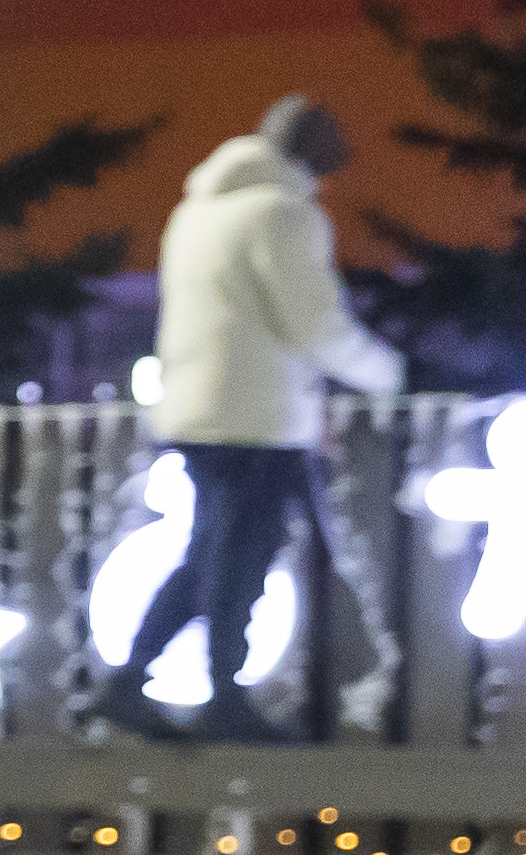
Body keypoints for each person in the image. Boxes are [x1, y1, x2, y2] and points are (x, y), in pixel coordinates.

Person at [106, 91, 399, 741]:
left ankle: (129, 681)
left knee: (207, 554)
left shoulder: (198, 211)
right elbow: (316, 323)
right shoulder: (284, 215)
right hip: (257, 420)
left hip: (195, 413)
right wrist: (388, 374)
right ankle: (223, 702)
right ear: (314, 155)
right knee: (241, 560)